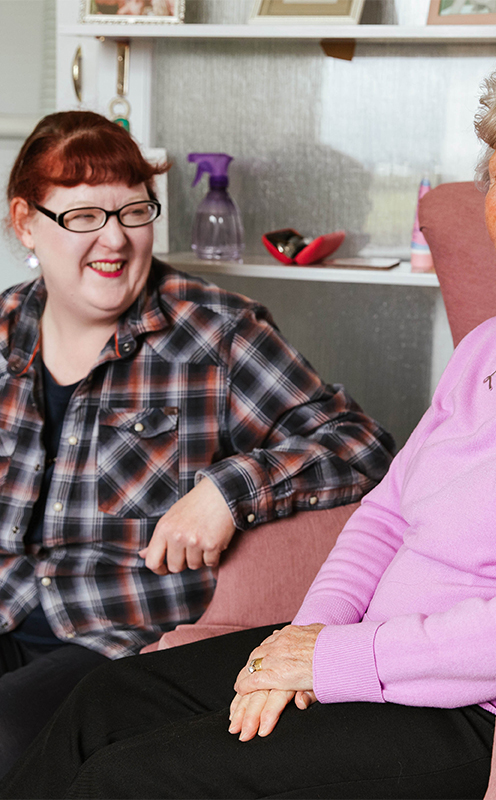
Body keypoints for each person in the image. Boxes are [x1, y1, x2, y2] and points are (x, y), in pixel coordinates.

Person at [4, 33, 496, 800]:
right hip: (371, 661)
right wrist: (304, 640)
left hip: (483, 711)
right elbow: (384, 517)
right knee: (98, 705)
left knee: (131, 778)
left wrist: (329, 663)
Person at [0, 111, 395, 777]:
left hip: (110, 640)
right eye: (85, 217)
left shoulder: (217, 334)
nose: (116, 240)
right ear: (26, 224)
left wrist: (228, 490)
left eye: (134, 211)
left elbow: (364, 444)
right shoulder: (6, 325)